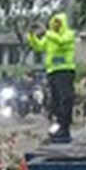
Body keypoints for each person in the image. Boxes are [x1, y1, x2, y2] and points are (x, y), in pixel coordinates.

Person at [27, 12, 77, 142]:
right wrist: (31, 35)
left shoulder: (69, 34)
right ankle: (58, 127)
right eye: (53, 23)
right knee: (55, 102)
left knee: (65, 100)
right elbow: (38, 47)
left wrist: (46, 32)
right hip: (52, 72)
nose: (55, 26)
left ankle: (65, 128)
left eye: (58, 23)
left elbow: (61, 42)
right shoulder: (50, 37)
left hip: (65, 71)